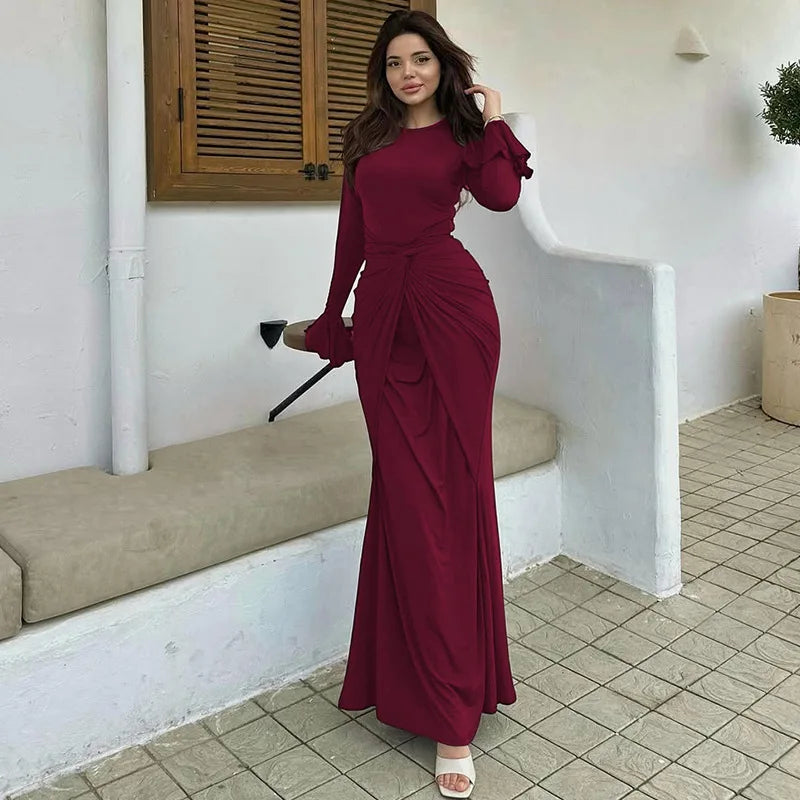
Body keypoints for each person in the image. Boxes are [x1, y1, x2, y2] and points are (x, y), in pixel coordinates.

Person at [304, 9, 533, 798]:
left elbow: (501, 198)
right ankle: (418, 685)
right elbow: (351, 236)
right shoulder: (367, 138)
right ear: (384, 70)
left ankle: (453, 717)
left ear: (442, 65)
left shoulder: (467, 136)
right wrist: (334, 318)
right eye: (396, 61)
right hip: (386, 320)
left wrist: (496, 120)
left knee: (454, 496)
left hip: (454, 312)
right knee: (405, 501)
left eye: (421, 59)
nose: (408, 72)